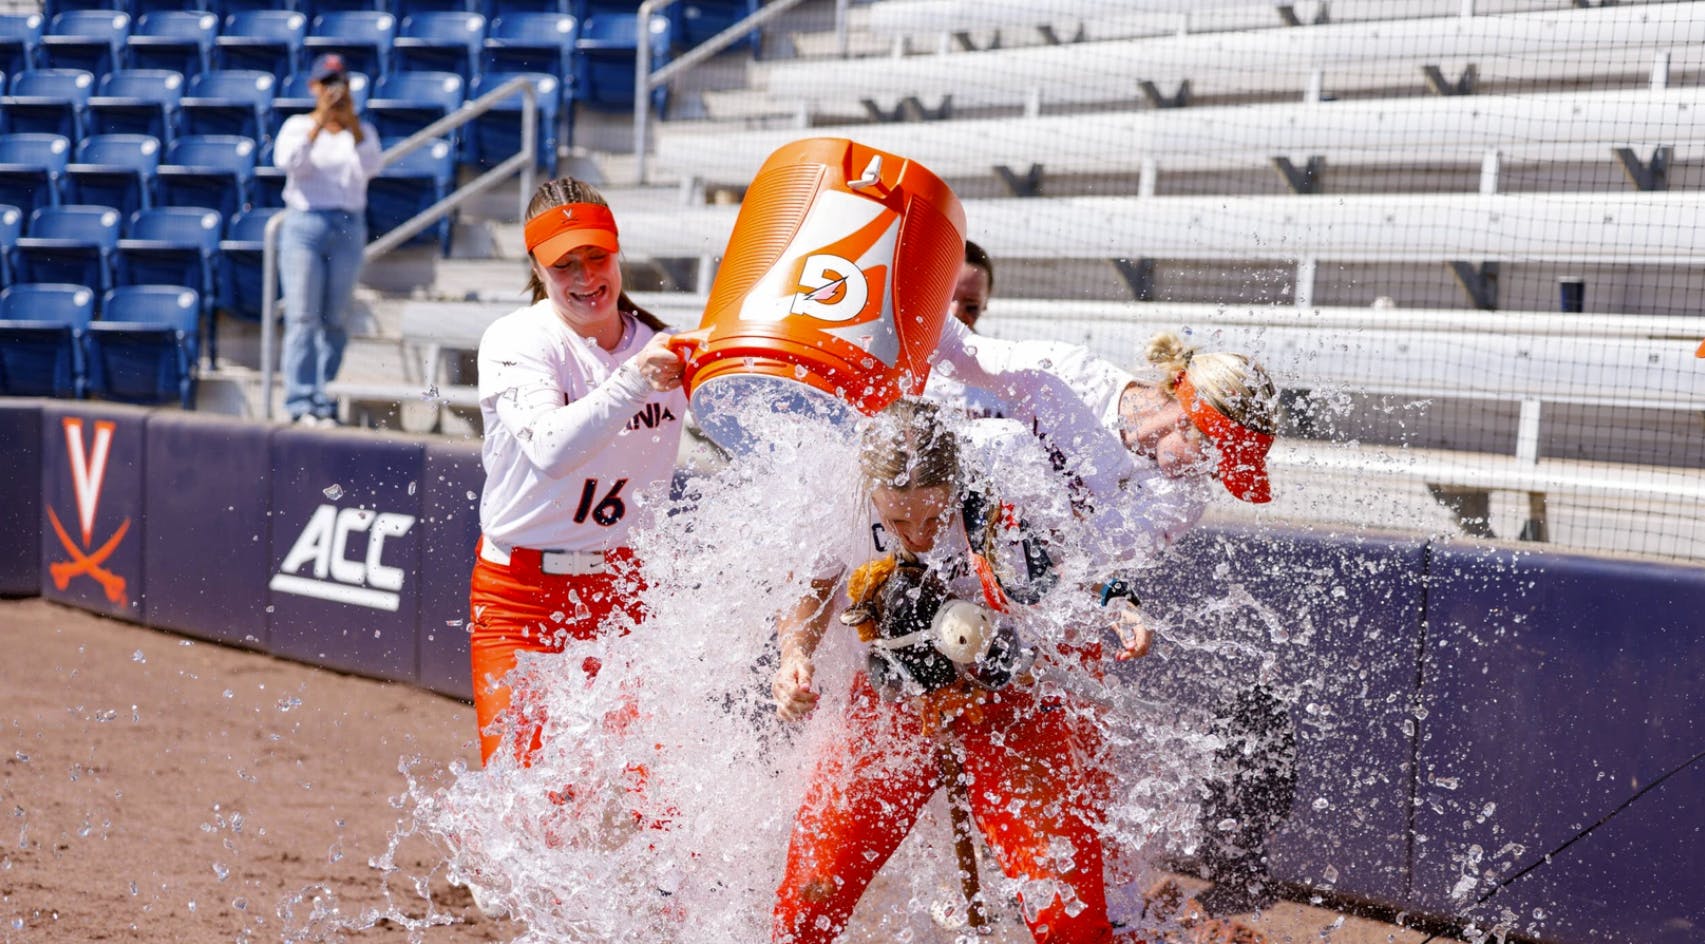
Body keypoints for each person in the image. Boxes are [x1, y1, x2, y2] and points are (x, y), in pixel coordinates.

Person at [770, 398, 1124, 944]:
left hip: (1006, 698)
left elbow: (1065, 573)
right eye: (898, 520)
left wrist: (1118, 605)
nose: (918, 534)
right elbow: (811, 597)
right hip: (896, 699)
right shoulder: (833, 494)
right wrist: (795, 657)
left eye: (935, 518)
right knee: (810, 898)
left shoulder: (999, 484)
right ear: (871, 495)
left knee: (1068, 919)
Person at [468, 177, 687, 767]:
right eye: (566, 265)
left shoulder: (664, 347)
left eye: (597, 257)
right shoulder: (516, 339)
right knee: (528, 798)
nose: (587, 277)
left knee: (660, 786)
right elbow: (551, 448)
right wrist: (636, 379)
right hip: (521, 598)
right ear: (539, 269)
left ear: (618, 253)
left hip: (626, 591)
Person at [273, 53, 384, 427]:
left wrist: (349, 121)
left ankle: (324, 396)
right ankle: (300, 401)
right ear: (313, 88)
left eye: (339, 84)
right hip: (305, 224)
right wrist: (320, 119)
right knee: (303, 316)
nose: (334, 91)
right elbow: (288, 162)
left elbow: (371, 168)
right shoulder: (297, 125)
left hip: (348, 227)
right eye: (327, 84)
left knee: (335, 318)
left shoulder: (361, 131)